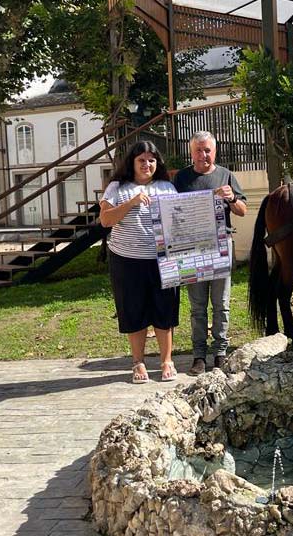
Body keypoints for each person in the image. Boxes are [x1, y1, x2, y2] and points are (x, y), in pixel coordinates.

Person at [99, 141, 180, 383]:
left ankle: (167, 360)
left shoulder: (167, 187)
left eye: (152, 160)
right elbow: (105, 220)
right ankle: (138, 362)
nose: (147, 164)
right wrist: (131, 202)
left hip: (162, 261)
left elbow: (180, 219)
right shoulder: (117, 187)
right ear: (132, 163)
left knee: (165, 310)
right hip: (126, 261)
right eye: (141, 160)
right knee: (134, 311)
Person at [173, 131, 247, 374]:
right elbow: (170, 213)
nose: (203, 155)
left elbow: (243, 210)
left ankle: (220, 354)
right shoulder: (182, 178)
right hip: (191, 248)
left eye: (207, 150)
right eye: (198, 150)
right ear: (191, 152)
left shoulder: (225, 175)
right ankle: (198, 356)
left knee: (221, 304)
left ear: (214, 152)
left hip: (220, 245)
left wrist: (232, 198)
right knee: (197, 306)